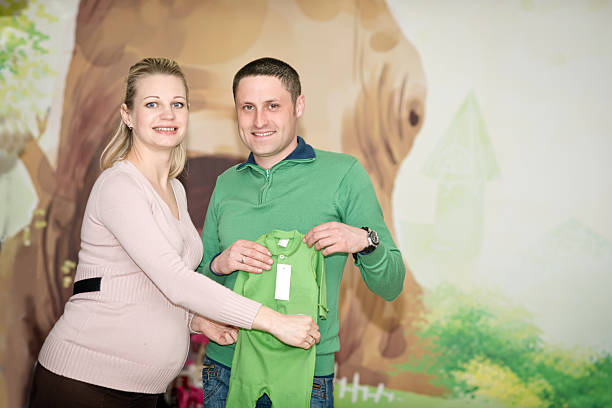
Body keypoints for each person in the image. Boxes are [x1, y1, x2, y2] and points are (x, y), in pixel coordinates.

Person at [27, 57, 320, 408]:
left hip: (145, 391)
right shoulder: (119, 186)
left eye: (177, 104)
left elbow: (145, 286)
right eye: (152, 104)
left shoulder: (175, 191)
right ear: (128, 116)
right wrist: (274, 321)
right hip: (84, 384)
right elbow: (175, 279)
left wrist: (195, 320)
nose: (167, 114)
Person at [199, 57, 405, 407]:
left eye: (272, 106)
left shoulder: (344, 174)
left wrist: (364, 242)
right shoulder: (226, 183)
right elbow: (197, 283)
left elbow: (392, 285)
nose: (259, 120)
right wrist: (219, 263)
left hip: (305, 373)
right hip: (225, 371)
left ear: (298, 106)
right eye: (247, 107)